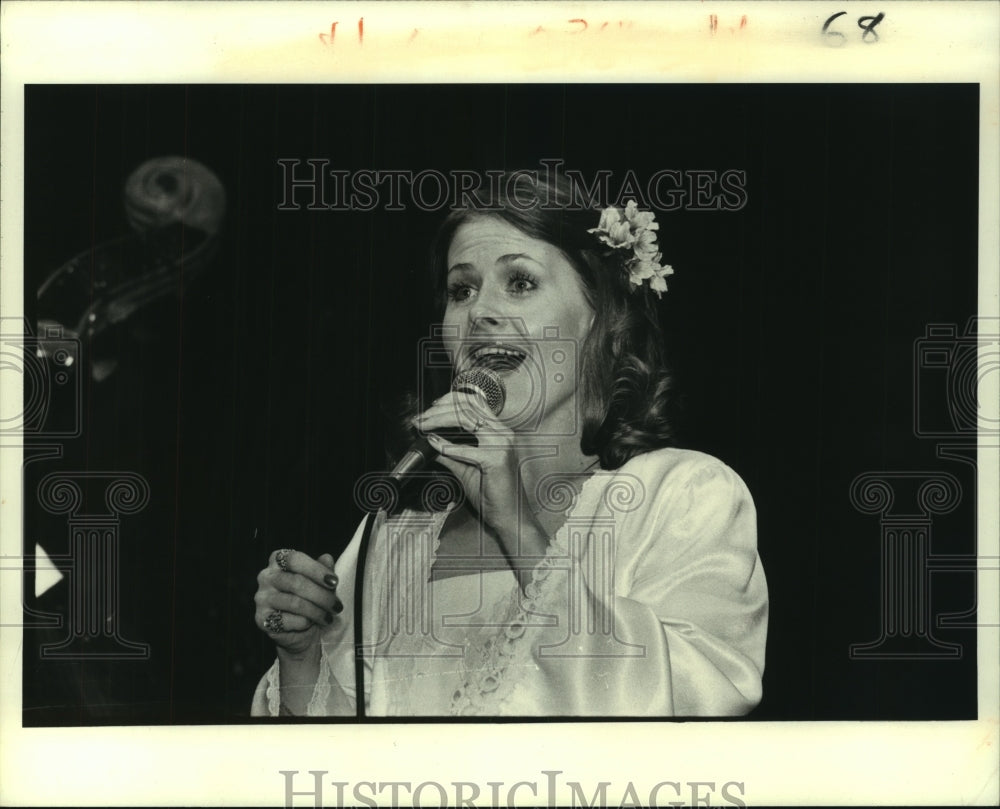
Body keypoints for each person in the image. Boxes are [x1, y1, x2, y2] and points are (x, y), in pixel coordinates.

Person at [251, 173, 768, 717]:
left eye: (519, 282)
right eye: (461, 290)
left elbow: (697, 703)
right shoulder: (394, 534)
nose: (480, 314)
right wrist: (302, 655)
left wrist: (518, 527)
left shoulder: (681, 494)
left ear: (601, 315)